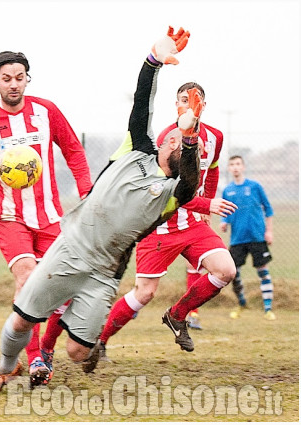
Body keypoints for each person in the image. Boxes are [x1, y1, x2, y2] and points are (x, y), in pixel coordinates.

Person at [0, 26, 208, 394]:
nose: (174, 135)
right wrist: (153, 61)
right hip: (69, 248)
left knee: (78, 352)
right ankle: (4, 367)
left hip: (105, 272)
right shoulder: (137, 148)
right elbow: (142, 102)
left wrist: (193, 138)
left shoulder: (173, 192)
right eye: (176, 133)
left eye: (181, 138)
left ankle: (66, 320)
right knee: (22, 321)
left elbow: (193, 181)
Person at [0, 50, 93, 388]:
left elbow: (73, 150)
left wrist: (87, 191)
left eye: (19, 77)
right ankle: (32, 358)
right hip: (9, 217)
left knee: (61, 288)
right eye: (6, 78)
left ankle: (44, 351)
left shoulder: (47, 111)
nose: (14, 84)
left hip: (52, 217)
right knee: (28, 280)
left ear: (28, 78)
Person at [97, 83, 238, 356]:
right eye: (183, 100)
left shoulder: (215, 138)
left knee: (226, 270)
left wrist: (205, 210)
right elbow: (168, 189)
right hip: (160, 225)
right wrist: (207, 203)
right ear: (176, 106)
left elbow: (214, 169)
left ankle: (177, 315)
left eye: (195, 100)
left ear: (203, 106)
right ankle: (100, 341)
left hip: (192, 224)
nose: (189, 104)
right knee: (145, 293)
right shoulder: (168, 138)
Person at [221, 155, 275, 320]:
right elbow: (225, 213)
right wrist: (224, 222)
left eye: (238, 164)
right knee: (233, 273)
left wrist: (269, 231)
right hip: (237, 239)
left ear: (243, 167)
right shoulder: (227, 190)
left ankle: (268, 309)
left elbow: (268, 209)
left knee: (263, 271)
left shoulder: (255, 186)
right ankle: (242, 303)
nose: (235, 167)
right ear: (229, 169)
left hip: (257, 236)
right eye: (232, 165)